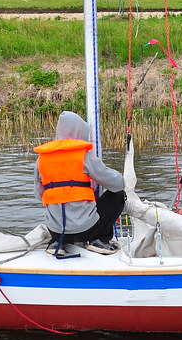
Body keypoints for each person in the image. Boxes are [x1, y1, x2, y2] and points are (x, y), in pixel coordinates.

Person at [33, 111, 126, 258]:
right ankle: (99, 240)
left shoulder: (41, 159)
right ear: (80, 132)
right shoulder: (84, 157)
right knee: (119, 194)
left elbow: (39, 195)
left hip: (55, 230)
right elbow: (118, 184)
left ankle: (57, 243)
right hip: (86, 230)